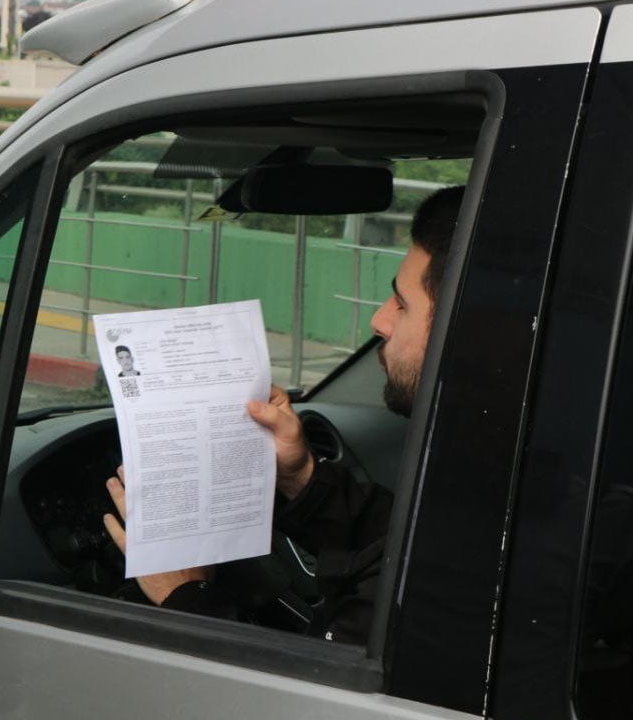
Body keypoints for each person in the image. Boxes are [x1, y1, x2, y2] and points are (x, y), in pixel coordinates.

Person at [103, 186, 464, 644]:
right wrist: (302, 477)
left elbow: (314, 691)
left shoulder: (473, 536)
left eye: (403, 303)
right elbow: (399, 540)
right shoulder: (503, 465)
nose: (379, 320)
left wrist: (185, 593)